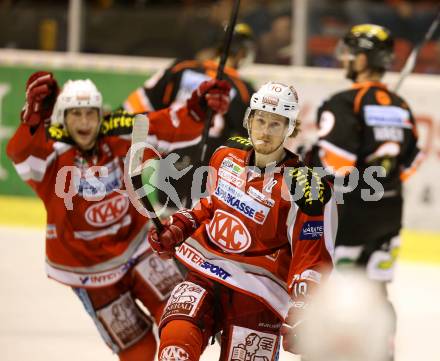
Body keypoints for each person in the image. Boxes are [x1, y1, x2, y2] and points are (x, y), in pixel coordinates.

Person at [6, 71, 231, 361]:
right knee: (138, 349)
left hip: (137, 244)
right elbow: (20, 153)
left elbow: (167, 125)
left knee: (179, 317)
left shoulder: (119, 129)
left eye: (91, 114)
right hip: (89, 268)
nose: (85, 123)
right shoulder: (50, 150)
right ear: (63, 117)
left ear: (102, 114)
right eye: (76, 115)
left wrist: (198, 109)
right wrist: (33, 118)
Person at [146, 82, 337, 360]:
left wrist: (303, 308)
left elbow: (312, 256)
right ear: (248, 120)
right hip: (206, 272)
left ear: (290, 129)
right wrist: (178, 227)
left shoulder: (305, 186)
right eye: (260, 120)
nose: (265, 130)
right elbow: (208, 205)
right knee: (174, 347)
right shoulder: (225, 156)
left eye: (276, 124)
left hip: (260, 293)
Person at [304, 24, 423, 360]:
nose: (345, 59)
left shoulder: (344, 101)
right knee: (376, 291)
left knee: (330, 290)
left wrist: (314, 153)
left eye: (351, 53)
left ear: (364, 58)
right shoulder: (400, 105)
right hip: (388, 214)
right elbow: (411, 164)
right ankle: (381, 351)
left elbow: (337, 165)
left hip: (350, 215)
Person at [123, 23, 256, 209]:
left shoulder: (181, 69)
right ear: (241, 53)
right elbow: (247, 143)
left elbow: (135, 107)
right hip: (208, 177)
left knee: (167, 224)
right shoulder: (242, 89)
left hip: (170, 168)